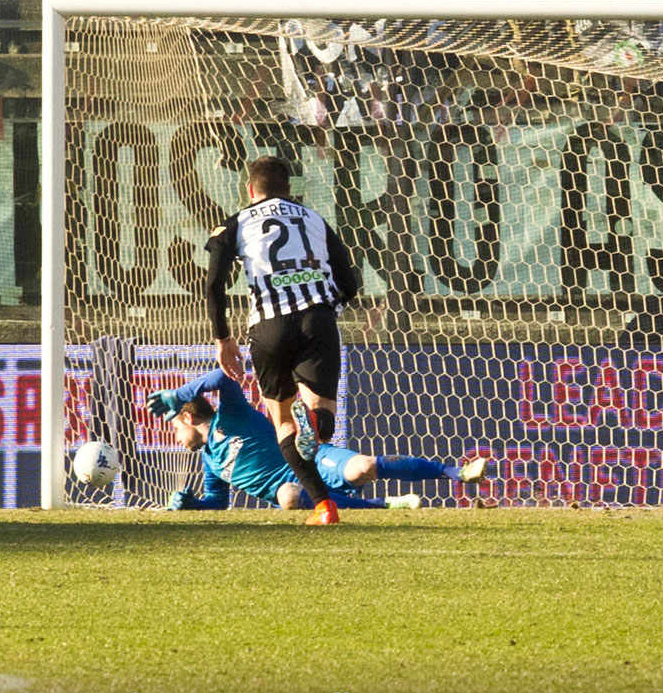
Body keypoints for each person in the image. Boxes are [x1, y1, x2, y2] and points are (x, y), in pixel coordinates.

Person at [202, 155, 363, 527]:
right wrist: (330, 310)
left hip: (269, 326)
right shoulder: (315, 220)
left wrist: (223, 337)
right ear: (290, 189)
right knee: (322, 422)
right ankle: (314, 420)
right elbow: (349, 281)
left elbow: (214, 284)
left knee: (283, 423)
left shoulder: (235, 223)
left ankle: (324, 507)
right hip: (317, 319)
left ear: (250, 189)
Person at [151, 367, 488, 511]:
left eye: (174, 428)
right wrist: (192, 504)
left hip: (309, 459)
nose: (176, 438)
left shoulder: (231, 414)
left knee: (363, 467)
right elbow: (218, 501)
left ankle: (456, 472)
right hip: (294, 490)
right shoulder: (210, 461)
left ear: (188, 417)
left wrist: (181, 393)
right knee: (287, 496)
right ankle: (383, 506)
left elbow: (223, 378)